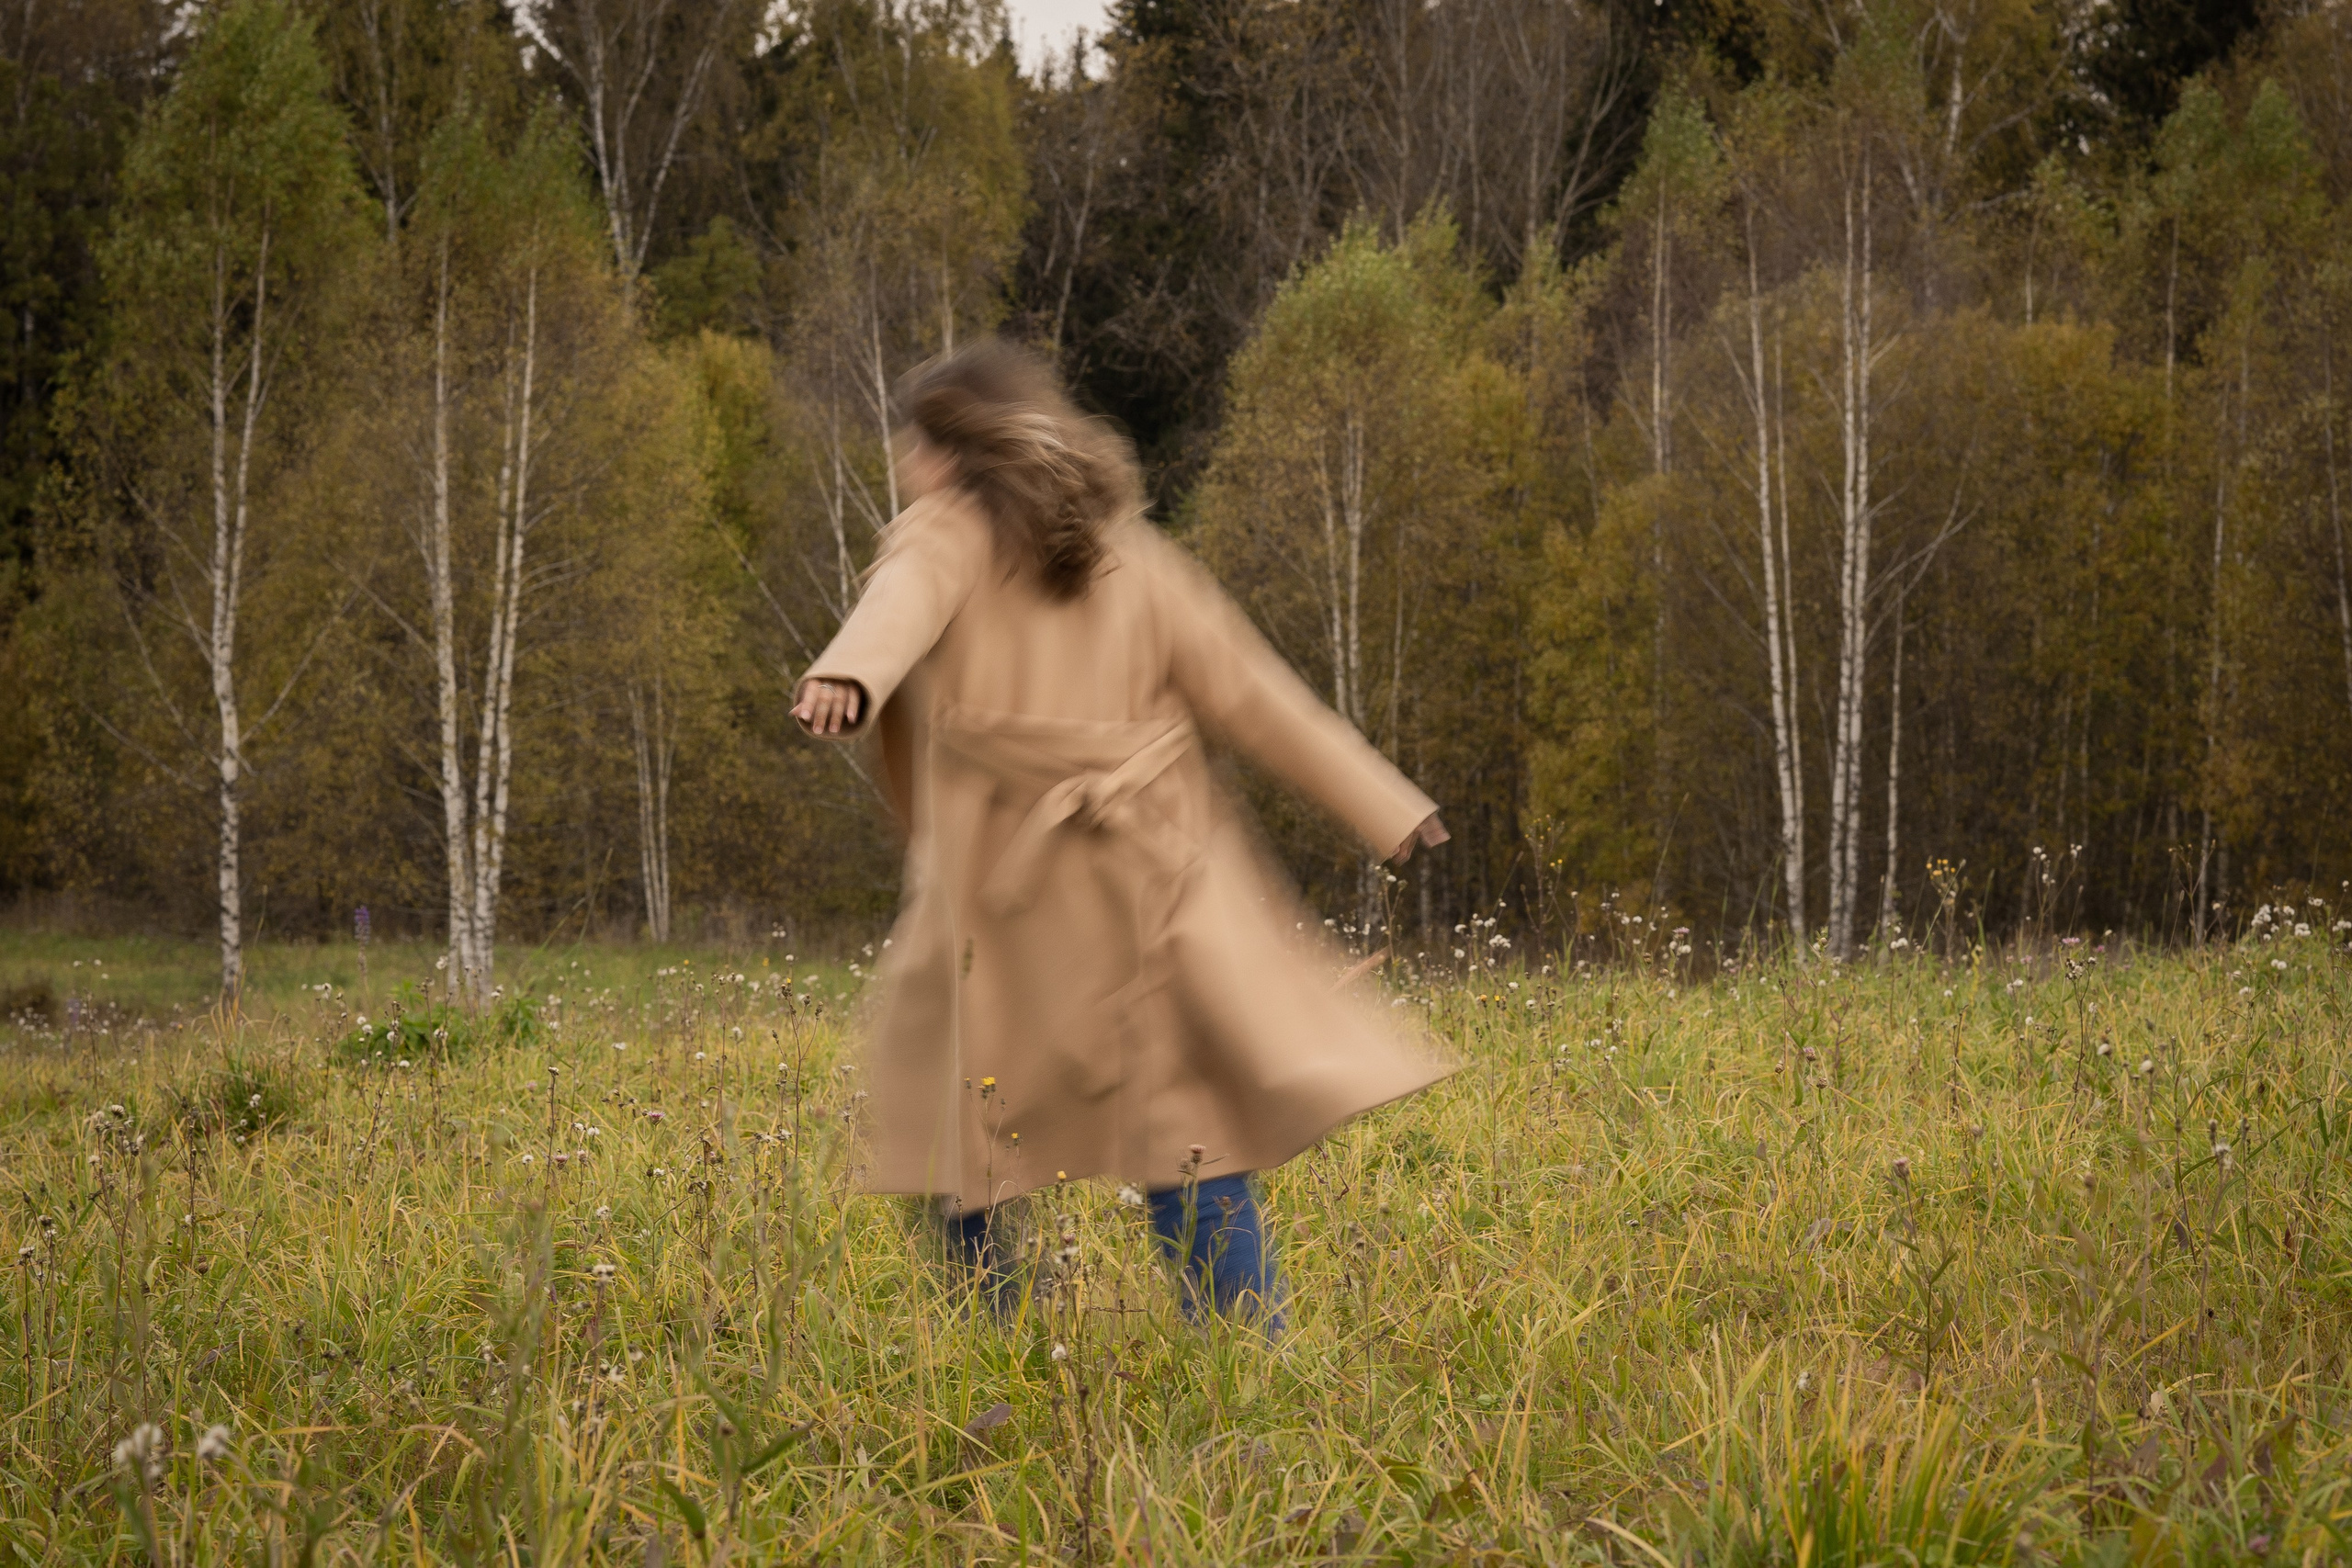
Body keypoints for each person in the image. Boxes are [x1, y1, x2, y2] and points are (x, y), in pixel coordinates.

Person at [792, 338, 1451, 1326]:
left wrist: (849, 671)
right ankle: (1243, 1351)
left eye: (910, 444)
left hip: (1003, 896)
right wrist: (1381, 802)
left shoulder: (945, 528)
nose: (903, 465)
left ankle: (998, 1332)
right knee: (1184, 1128)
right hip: (1147, 882)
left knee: (946, 1120)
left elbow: (900, 598)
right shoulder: (1132, 549)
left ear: (948, 447)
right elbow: (1258, 695)